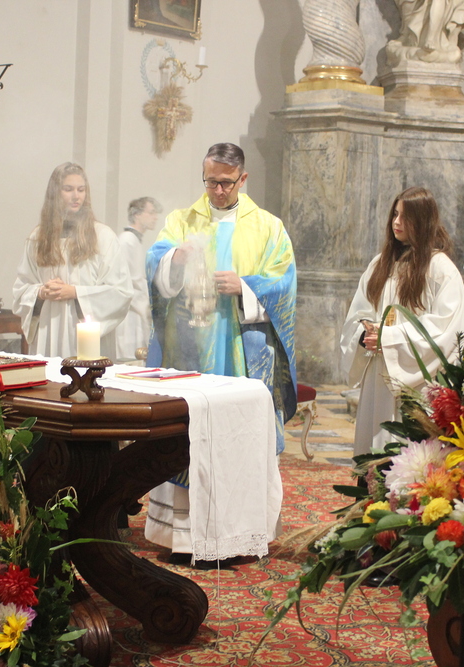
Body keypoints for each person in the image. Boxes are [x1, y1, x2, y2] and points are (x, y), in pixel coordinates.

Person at [144, 142, 297, 562]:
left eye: (226, 183)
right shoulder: (181, 221)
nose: (217, 191)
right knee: (188, 439)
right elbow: (155, 265)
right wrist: (176, 258)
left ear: (242, 179)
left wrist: (245, 287)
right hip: (189, 354)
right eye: (210, 181)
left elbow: (285, 284)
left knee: (239, 440)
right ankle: (183, 538)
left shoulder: (267, 227)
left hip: (242, 356)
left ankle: (241, 536)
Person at [340, 186, 464, 456]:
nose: (396, 222)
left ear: (423, 221)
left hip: (417, 382)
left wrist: (389, 338)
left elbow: (445, 329)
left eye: (405, 217)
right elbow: (358, 313)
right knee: (374, 454)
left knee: (409, 458)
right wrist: (365, 335)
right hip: (378, 375)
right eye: (395, 214)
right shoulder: (380, 264)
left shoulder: (441, 269)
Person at [12, 163, 132, 358]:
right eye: (68, 189)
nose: (76, 196)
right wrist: (41, 292)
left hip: (84, 337)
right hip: (48, 331)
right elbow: (21, 289)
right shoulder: (38, 237)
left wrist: (75, 292)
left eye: (81, 190)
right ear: (54, 193)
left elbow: (121, 292)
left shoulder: (102, 236)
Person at [115, 196, 162, 360]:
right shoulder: (127, 241)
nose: (155, 217)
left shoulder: (133, 240)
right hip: (130, 314)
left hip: (136, 311)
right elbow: (133, 282)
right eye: (151, 212)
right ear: (137, 215)